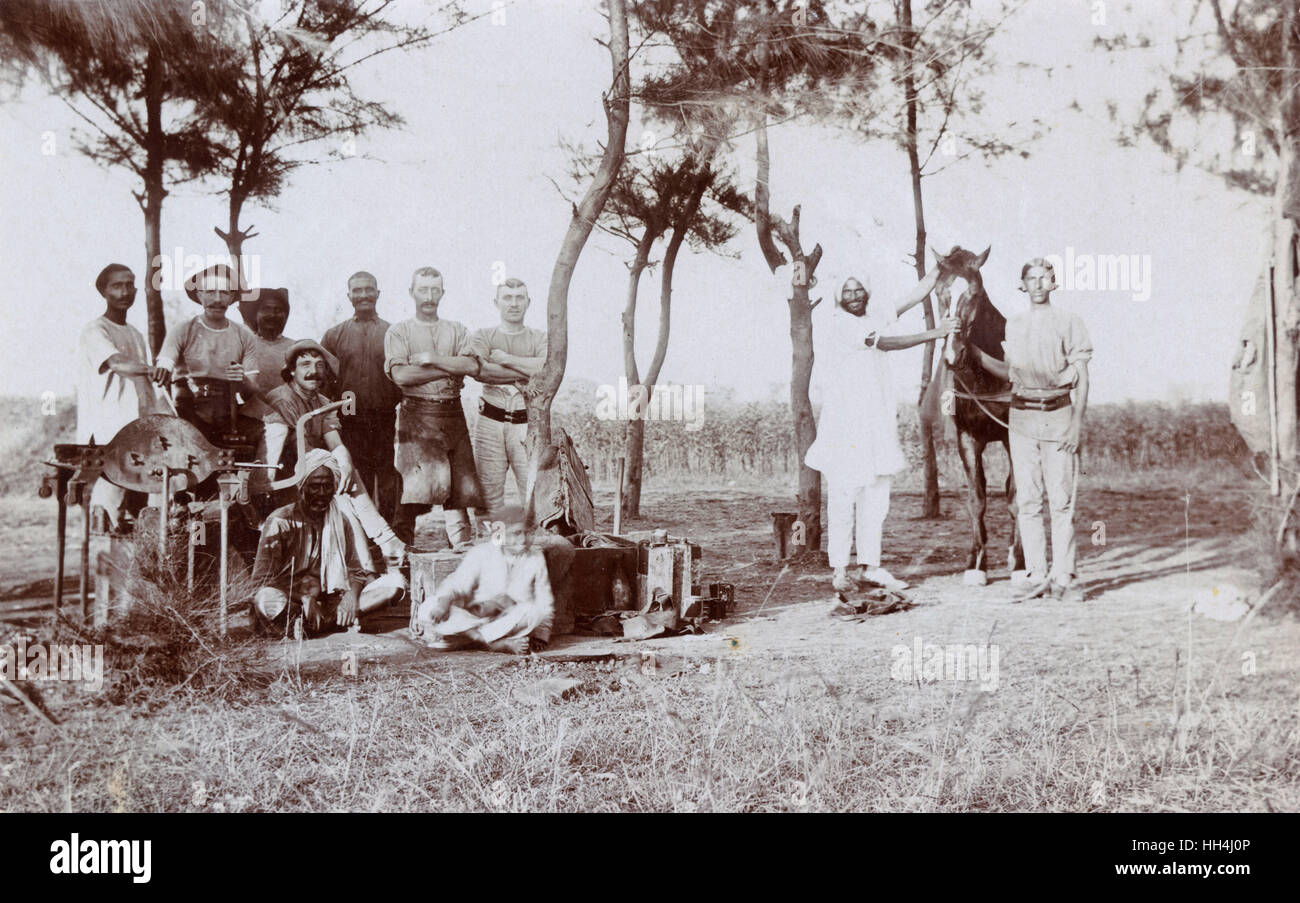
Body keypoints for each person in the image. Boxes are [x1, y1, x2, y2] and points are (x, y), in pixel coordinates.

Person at [804, 270, 958, 593]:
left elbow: (910, 298)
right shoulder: (840, 323)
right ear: (838, 298)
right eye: (848, 292)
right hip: (845, 426)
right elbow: (884, 343)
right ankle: (840, 571)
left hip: (876, 423)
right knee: (845, 496)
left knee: (876, 497)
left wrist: (941, 269)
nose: (855, 295)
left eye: (859, 289)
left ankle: (871, 567)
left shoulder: (873, 314)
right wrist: (936, 333)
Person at [971, 257, 1092, 602]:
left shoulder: (1070, 322)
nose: (1038, 284)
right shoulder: (1014, 326)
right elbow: (1010, 372)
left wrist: (1076, 424)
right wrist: (974, 353)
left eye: (1045, 278)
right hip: (1021, 417)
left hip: (1059, 415)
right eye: (1031, 279)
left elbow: (1082, 377)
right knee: (1027, 500)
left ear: (1054, 283)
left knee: (1061, 500)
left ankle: (1064, 577)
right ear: (1022, 285)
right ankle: (1037, 575)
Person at [262, 339, 405, 562]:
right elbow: (300, 449)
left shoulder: (322, 401)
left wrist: (345, 465)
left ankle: (373, 555)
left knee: (345, 481)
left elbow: (334, 442)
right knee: (339, 492)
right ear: (291, 371)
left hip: (313, 468)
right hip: (286, 477)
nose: (313, 371)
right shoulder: (282, 398)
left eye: (319, 365)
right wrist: (335, 467)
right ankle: (380, 547)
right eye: (305, 365)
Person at [250, 449, 406, 637]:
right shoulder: (279, 520)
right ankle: (324, 622)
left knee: (395, 585)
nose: (322, 493)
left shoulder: (341, 520)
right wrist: (305, 598)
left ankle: (314, 624)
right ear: (302, 487)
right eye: (315, 486)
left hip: (331, 599)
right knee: (266, 599)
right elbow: (262, 581)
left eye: (327, 486)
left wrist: (350, 597)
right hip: (293, 599)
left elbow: (357, 572)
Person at [383, 267, 487, 547]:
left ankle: (462, 553)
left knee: (461, 492)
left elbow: (472, 366)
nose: (429, 296)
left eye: (435, 290)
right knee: (411, 492)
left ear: (442, 292)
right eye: (423, 290)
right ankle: (402, 561)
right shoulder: (399, 331)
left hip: (452, 413)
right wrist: (447, 368)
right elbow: (402, 376)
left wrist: (431, 359)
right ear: (411, 292)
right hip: (417, 415)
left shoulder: (457, 329)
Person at [77, 263, 162, 528]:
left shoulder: (136, 334)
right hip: (108, 425)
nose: (125, 292)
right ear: (104, 291)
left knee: (149, 490)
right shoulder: (95, 330)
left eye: (129, 285)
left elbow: (143, 386)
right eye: (117, 285)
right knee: (108, 503)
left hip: (137, 424)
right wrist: (152, 370)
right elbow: (116, 363)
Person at [413, 505, 554, 654]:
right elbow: (456, 585)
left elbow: (544, 599)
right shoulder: (482, 552)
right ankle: (492, 644)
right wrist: (443, 603)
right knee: (427, 607)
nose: (523, 540)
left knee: (534, 611)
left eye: (528, 533)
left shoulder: (535, 557)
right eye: (516, 533)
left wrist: (541, 637)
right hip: (471, 619)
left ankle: (468, 639)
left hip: (503, 621)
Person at [153, 263, 266, 445]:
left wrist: (242, 379)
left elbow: (252, 389)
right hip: (188, 410)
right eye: (210, 292)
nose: (217, 299)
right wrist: (163, 368)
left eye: (225, 293)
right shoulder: (183, 329)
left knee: (273, 430)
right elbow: (166, 360)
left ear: (232, 297)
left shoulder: (244, 335)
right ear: (199, 295)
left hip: (228, 413)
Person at [322, 272, 403, 522]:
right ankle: (362, 530)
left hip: (384, 417)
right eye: (357, 290)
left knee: (388, 474)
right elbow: (324, 382)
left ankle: (389, 529)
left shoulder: (394, 333)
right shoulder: (334, 335)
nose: (364, 295)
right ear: (349, 296)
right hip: (350, 419)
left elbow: (403, 376)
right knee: (358, 475)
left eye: (369, 289)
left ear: (378, 293)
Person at [468, 277, 547, 511]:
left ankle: (533, 546)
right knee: (488, 496)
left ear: (528, 302)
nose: (514, 304)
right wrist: (520, 374)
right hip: (490, 421)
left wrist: (507, 359)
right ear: (496, 302)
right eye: (508, 298)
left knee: (533, 494)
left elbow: (545, 369)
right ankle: (489, 547)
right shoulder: (483, 335)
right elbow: (481, 371)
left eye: (519, 298)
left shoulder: (539, 337)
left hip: (527, 422)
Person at [244, 288, 295, 398]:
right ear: (256, 314)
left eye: (278, 310)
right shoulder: (245, 345)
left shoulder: (294, 348)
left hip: (288, 411)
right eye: (266, 309)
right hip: (252, 412)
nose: (272, 315)